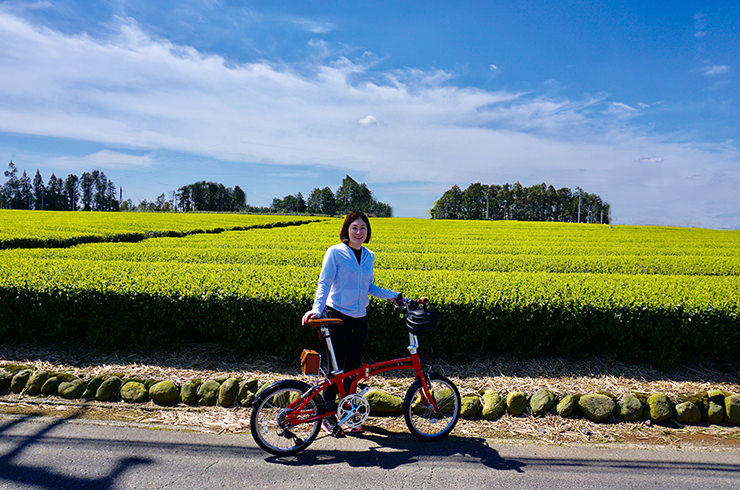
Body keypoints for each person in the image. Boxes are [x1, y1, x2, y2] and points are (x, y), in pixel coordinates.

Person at [302, 211, 401, 437]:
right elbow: (324, 283)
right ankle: (327, 416)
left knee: (352, 372)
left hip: (359, 319)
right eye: (354, 227)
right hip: (336, 316)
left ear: (367, 232)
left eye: (363, 228)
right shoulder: (335, 252)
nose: (358, 232)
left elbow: (369, 287)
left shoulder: (369, 255)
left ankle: (347, 413)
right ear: (346, 230)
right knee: (334, 370)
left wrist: (393, 295)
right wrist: (316, 311)